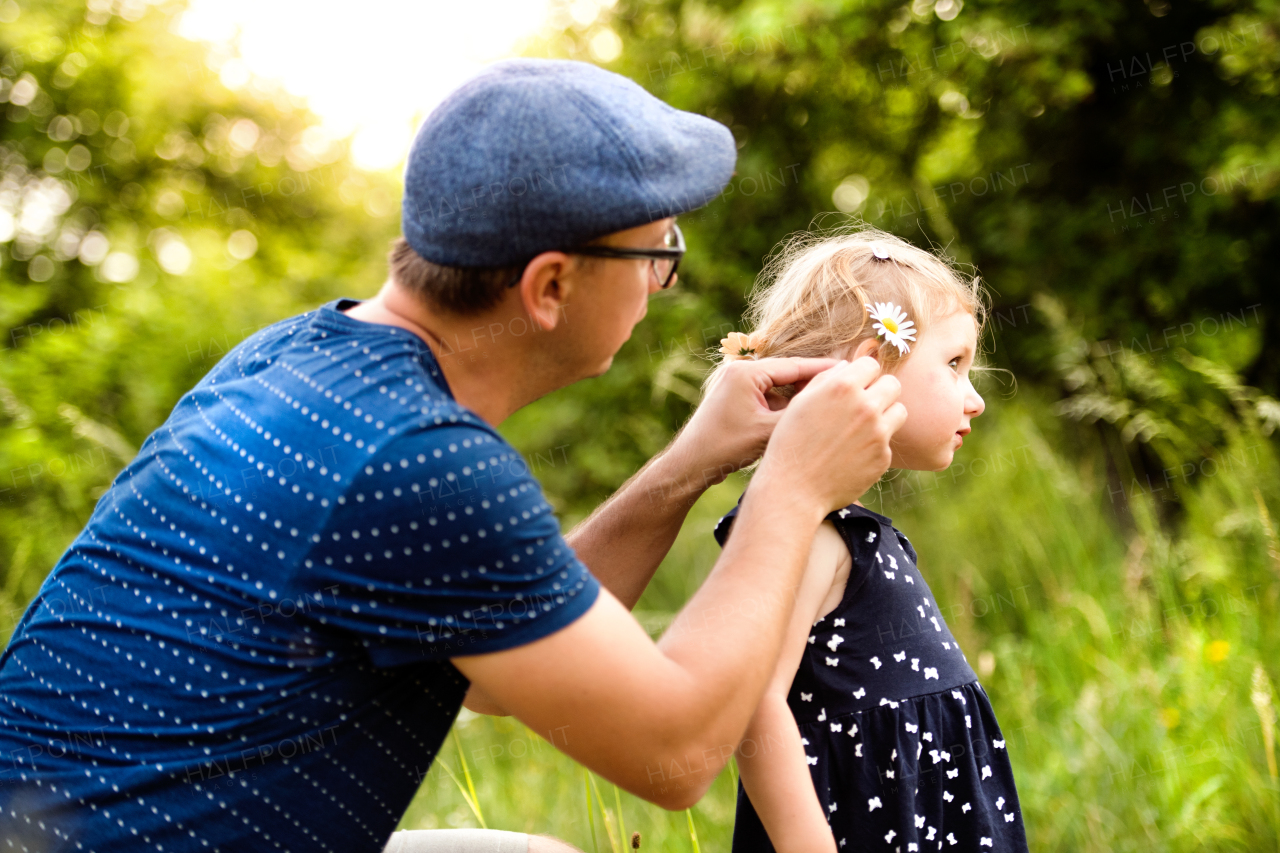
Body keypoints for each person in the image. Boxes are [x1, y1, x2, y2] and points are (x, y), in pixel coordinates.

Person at [0, 59, 906, 852]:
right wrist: (791, 490)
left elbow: (501, 676)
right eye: (656, 253)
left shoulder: (291, 357)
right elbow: (674, 755)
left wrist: (689, 463)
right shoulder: (422, 464)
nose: (665, 279)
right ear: (551, 284)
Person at [709, 228, 1030, 853]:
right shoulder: (812, 531)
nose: (977, 399)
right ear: (869, 366)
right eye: (954, 364)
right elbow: (754, 705)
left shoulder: (854, 530)